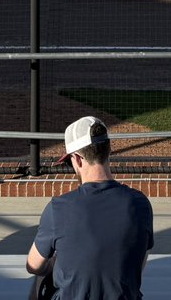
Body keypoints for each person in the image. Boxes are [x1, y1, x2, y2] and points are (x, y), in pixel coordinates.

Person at [26, 116, 153, 300]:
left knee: (42, 274)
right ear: (108, 151)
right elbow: (138, 266)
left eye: (69, 161)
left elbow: (33, 266)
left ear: (78, 159)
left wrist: (53, 265)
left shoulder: (58, 208)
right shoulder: (140, 204)